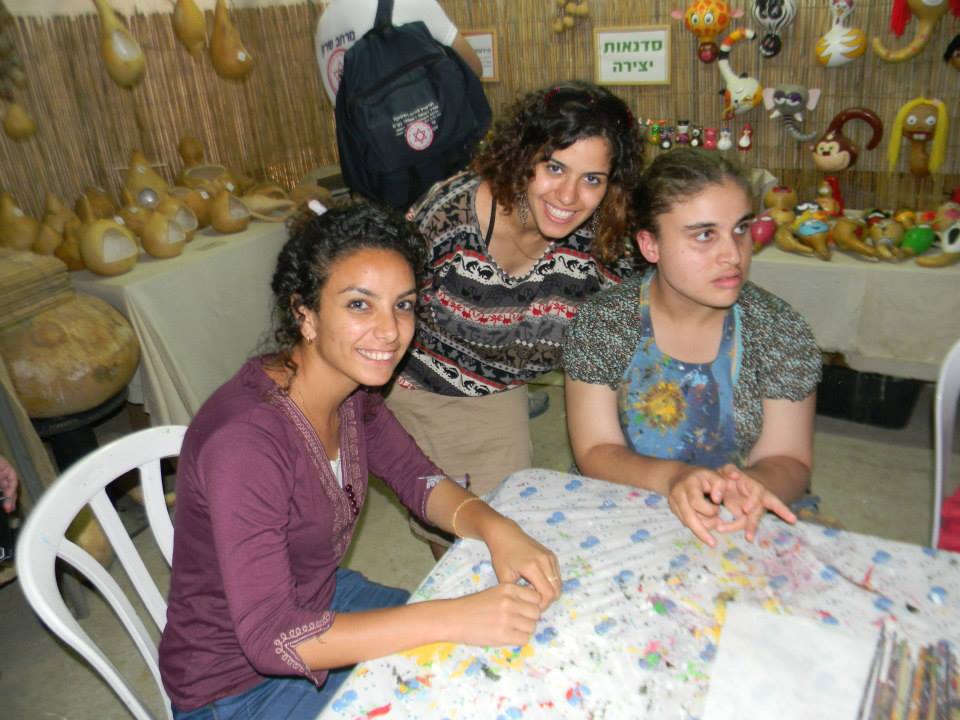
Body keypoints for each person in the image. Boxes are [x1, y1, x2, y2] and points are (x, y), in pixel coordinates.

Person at [159, 202, 561, 719]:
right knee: (459, 674)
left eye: (403, 305)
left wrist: (498, 528)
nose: (390, 331)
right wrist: (452, 617)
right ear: (304, 313)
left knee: (496, 660)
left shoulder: (350, 392)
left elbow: (418, 479)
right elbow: (272, 638)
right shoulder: (245, 443)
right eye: (359, 305)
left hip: (321, 595)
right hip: (235, 687)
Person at [385, 80, 644, 557]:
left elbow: (651, 312)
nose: (568, 196)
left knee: (510, 527)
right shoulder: (450, 216)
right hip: (419, 384)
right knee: (469, 545)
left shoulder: (607, 241)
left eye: (592, 179)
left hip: (500, 388)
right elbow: (381, 301)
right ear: (523, 156)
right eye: (554, 167)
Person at [563, 147, 821, 547]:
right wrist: (676, 479)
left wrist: (751, 487)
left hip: (744, 515)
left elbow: (789, 458)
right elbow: (596, 450)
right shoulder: (606, 323)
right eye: (704, 235)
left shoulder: (778, 329)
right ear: (650, 245)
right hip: (625, 499)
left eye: (740, 229)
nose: (733, 255)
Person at [314, 0, 482, 106]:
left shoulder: (323, 25)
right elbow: (474, 67)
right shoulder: (408, 2)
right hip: (427, 140)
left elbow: (337, 100)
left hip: (368, 149)